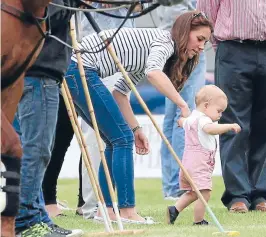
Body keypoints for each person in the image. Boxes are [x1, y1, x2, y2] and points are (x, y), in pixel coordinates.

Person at [64, 11, 212, 223]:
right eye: (199, 39)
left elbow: (120, 93)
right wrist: (182, 104)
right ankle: (127, 211)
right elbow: (154, 73)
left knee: (115, 139)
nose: (200, 46)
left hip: (76, 72)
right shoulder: (164, 42)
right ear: (184, 32)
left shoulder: (146, 54)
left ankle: (106, 210)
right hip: (81, 69)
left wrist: (137, 129)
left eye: (205, 42)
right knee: (121, 139)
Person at [197, 0, 266, 213]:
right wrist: (222, 44)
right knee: (233, 124)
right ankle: (238, 197)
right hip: (234, 48)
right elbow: (206, 11)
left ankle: (259, 194)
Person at [42, 2, 137, 218]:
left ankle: (89, 202)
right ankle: (58, 201)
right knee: (64, 132)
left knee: (98, 134)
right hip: (79, 51)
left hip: (117, 54)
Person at [13, 0, 83, 236]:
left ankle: (38, 216)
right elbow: (43, 14)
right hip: (39, 73)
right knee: (37, 149)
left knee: (37, 149)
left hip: (39, 73)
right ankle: (25, 221)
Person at [166, 85, 241, 225]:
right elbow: (210, 129)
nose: (220, 115)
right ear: (206, 106)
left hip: (188, 164)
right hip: (199, 164)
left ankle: (174, 209)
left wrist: (180, 122)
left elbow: (182, 122)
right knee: (204, 192)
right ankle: (198, 221)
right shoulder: (204, 120)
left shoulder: (192, 118)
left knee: (194, 192)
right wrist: (229, 126)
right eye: (219, 111)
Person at [157, 0, 207, 201]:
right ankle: (180, 183)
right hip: (186, 37)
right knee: (184, 113)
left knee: (173, 117)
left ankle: (171, 185)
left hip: (171, 33)